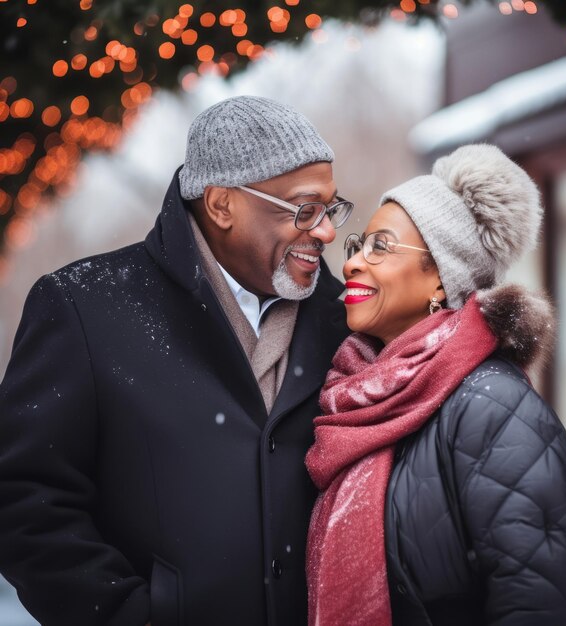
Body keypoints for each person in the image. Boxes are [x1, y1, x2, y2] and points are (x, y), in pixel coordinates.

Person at [0, 96, 354, 626]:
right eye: (304, 209)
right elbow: (26, 499)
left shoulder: (344, 320)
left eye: (331, 208)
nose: (326, 230)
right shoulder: (84, 307)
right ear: (221, 204)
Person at [305, 144, 566, 626]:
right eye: (357, 246)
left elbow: (535, 605)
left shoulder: (493, 408)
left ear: (441, 277)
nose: (351, 263)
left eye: (381, 246)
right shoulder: (349, 398)